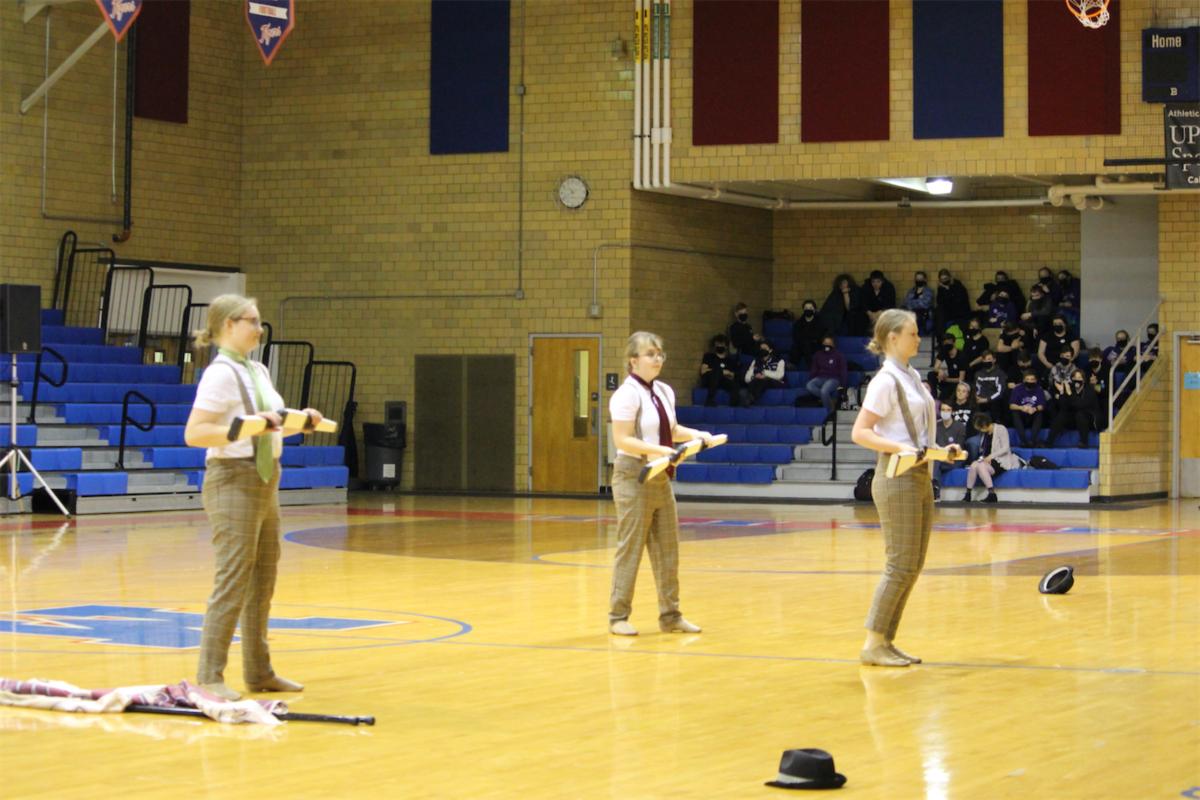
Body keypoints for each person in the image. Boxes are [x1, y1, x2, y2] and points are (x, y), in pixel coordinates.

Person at [183, 294, 323, 701]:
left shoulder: (257, 370)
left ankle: (259, 672)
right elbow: (195, 433)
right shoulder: (220, 374)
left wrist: (300, 423)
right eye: (252, 321)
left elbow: (268, 427)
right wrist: (247, 427)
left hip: (266, 479)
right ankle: (209, 677)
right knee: (233, 579)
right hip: (233, 480)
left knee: (263, 579)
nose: (259, 329)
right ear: (228, 324)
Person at [851, 309, 950, 667]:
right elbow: (860, 432)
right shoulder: (885, 381)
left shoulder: (912, 377)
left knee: (913, 564)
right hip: (896, 477)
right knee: (899, 564)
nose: (918, 339)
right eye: (913, 333)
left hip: (919, 474)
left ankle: (886, 641)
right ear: (892, 337)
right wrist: (898, 447)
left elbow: (917, 433)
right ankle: (873, 643)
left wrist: (941, 450)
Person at [608, 331, 713, 636]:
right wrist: (661, 451)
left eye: (659, 354)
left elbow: (672, 429)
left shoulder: (664, 391)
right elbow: (623, 439)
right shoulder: (626, 395)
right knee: (631, 548)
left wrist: (697, 434)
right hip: (634, 476)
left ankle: (671, 616)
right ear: (633, 360)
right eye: (650, 354)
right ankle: (618, 616)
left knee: (668, 549)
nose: (657, 359)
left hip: (660, 476)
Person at [963, 412, 1021, 503]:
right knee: (974, 465)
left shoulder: (1001, 429)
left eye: (980, 428)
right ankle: (968, 494)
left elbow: (1005, 448)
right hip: (987, 460)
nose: (980, 430)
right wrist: (984, 458)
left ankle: (992, 494)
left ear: (984, 426)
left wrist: (990, 457)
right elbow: (984, 450)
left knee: (981, 466)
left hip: (1001, 460)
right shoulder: (985, 434)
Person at [1046, 367, 1100, 449]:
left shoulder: (1089, 390)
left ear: (1084, 380)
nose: (1077, 380)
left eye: (1079, 378)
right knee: (1062, 414)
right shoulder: (1069, 389)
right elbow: (1063, 406)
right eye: (1074, 378)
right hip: (1073, 420)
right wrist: (1062, 392)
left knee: (1080, 414)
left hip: (1088, 419)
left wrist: (1070, 394)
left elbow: (1080, 405)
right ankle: (1048, 442)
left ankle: (1084, 442)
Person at [932, 401, 968, 500]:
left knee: (936, 462)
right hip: (939, 458)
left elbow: (959, 448)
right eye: (943, 410)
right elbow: (932, 444)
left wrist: (945, 457)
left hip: (955, 459)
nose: (945, 412)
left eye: (948, 410)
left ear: (952, 411)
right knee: (935, 461)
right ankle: (935, 489)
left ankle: (935, 490)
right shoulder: (935, 426)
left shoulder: (960, 427)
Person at [805, 335, 848, 414]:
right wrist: (812, 378)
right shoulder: (817, 355)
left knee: (824, 391)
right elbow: (814, 369)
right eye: (825, 343)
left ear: (833, 344)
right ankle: (829, 399)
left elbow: (843, 371)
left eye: (829, 343)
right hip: (821, 377)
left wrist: (843, 386)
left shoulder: (838, 355)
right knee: (809, 386)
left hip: (834, 379)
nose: (827, 345)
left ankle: (829, 412)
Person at [1008, 371, 1047, 448]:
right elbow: (1011, 405)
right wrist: (1022, 408)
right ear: (1024, 380)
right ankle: (1023, 441)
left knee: (1039, 414)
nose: (1030, 381)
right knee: (1015, 413)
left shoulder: (1039, 389)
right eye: (1027, 379)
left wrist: (1034, 409)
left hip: (1033, 413)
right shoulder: (1017, 389)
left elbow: (1042, 406)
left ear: (1036, 380)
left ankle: (1032, 441)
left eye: (1032, 379)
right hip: (1022, 414)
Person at [699, 334, 739, 407]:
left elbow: (732, 375)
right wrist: (721, 371)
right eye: (717, 344)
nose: (719, 346)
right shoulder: (708, 357)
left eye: (721, 344)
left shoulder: (730, 361)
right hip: (710, 380)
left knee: (734, 385)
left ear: (726, 346)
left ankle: (734, 405)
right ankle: (710, 400)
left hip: (723, 380)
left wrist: (727, 373)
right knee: (717, 372)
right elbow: (703, 371)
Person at [744, 339, 786, 405]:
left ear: (770, 350)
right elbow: (747, 379)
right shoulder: (755, 361)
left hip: (775, 383)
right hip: (757, 381)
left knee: (764, 380)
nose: (762, 350)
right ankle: (749, 398)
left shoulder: (779, 361)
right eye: (761, 348)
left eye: (765, 348)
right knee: (755, 380)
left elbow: (779, 376)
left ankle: (751, 398)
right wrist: (755, 376)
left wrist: (764, 374)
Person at [790, 299, 828, 368]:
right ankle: (792, 364)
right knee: (797, 346)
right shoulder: (798, 323)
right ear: (803, 310)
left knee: (807, 344)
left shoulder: (820, 322)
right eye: (806, 308)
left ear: (814, 310)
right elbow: (796, 336)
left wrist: (809, 338)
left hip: (815, 345)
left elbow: (819, 335)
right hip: (801, 344)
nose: (808, 309)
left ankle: (812, 367)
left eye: (810, 308)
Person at [971, 350, 1008, 422]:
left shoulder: (1000, 373)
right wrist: (977, 397)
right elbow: (975, 388)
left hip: (994, 401)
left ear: (994, 360)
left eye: (989, 359)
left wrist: (987, 399)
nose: (986, 361)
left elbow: (1000, 392)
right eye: (984, 359)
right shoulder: (978, 373)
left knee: (996, 405)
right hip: (980, 400)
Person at [934, 269, 970, 334]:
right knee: (938, 311)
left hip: (960, 312)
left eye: (945, 278)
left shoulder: (958, 286)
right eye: (942, 279)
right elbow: (940, 302)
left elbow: (957, 301)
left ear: (949, 277)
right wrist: (945, 289)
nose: (944, 281)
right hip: (949, 312)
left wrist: (947, 290)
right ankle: (940, 335)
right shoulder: (941, 288)